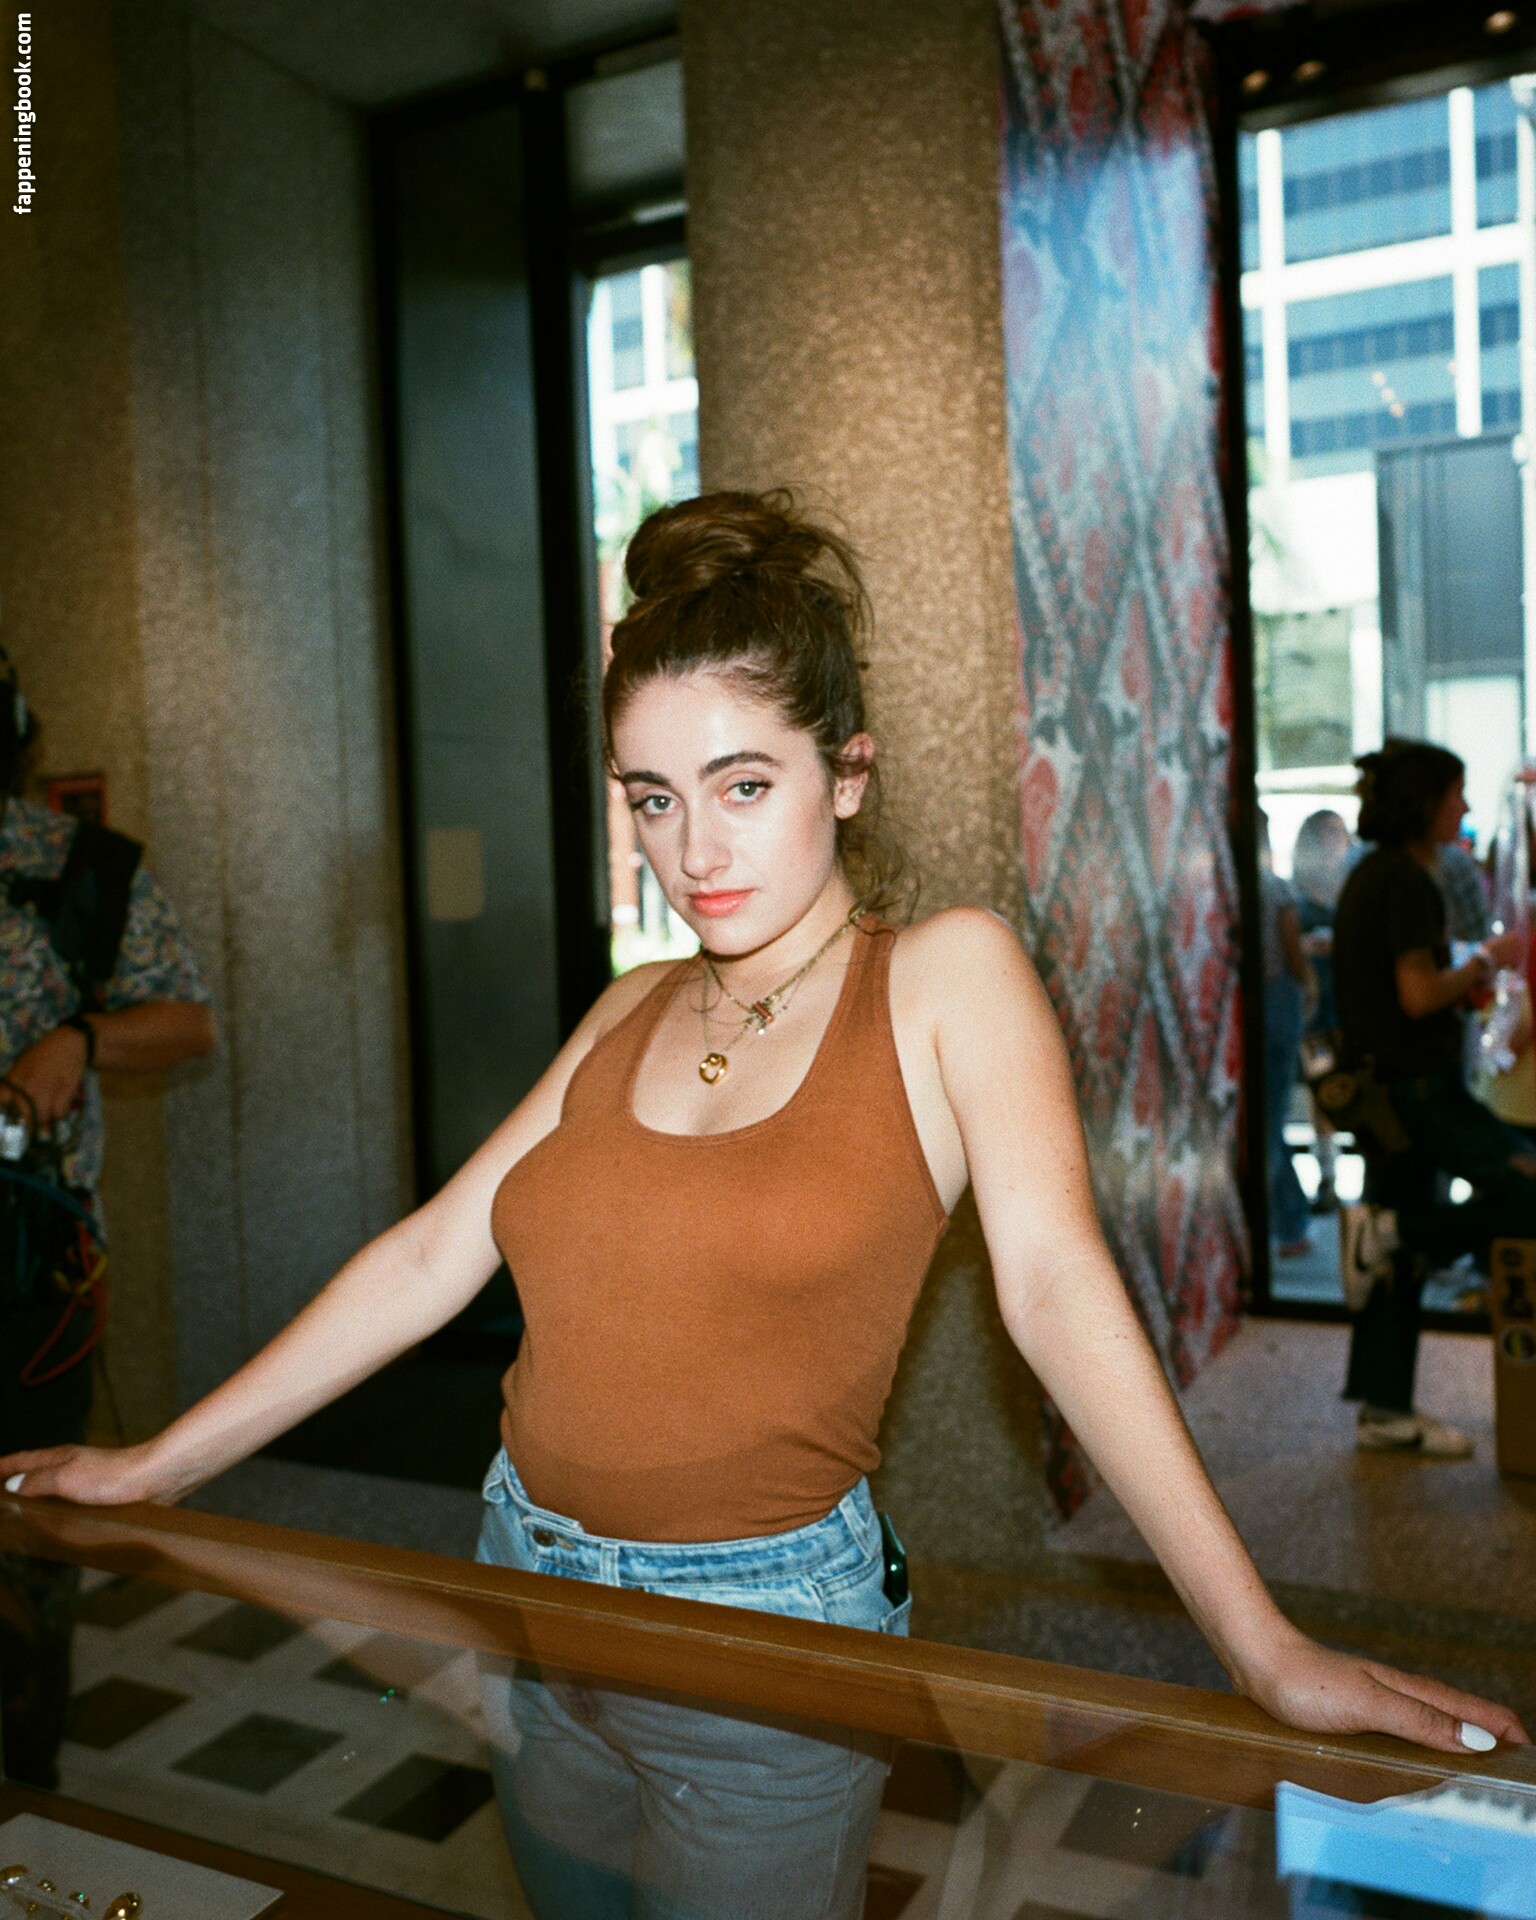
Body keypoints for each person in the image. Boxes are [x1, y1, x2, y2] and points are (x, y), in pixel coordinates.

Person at [1, 500, 1524, 1917]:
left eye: (744, 786)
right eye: (652, 799)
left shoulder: (945, 977)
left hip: (766, 1633)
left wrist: (1261, 1646)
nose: (694, 851)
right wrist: (157, 1464)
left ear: (846, 774)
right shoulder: (629, 1006)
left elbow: (1057, 1291)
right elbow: (431, 1254)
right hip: (522, 1584)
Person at [0, 650, 216, 1786]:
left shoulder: (78, 869)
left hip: (30, 1276)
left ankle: (24, 1788)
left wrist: (78, 1040)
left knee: (27, 1541)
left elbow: (189, 1022)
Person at [1334, 738, 1536, 1458]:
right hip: (1416, 1090)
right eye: (1456, 794)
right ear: (1426, 803)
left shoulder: (1374, 875)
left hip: (1385, 1089)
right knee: (1523, 1188)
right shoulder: (1406, 882)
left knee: (1390, 1259)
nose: (1466, 806)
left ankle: (1384, 1410)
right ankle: (1395, 1233)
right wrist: (1485, 960)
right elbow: (1418, 994)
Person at [1259, 812, 1315, 1255]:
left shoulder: (1228, 886)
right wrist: (1310, 983)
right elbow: (1293, 953)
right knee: (1271, 1118)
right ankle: (1289, 1224)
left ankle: (1291, 1221)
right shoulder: (1277, 889)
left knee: (1268, 1120)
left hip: (1255, 1004)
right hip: (1278, 1004)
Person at [1293, 809, 1352, 1214]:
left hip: (1350, 1005)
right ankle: (1327, 1176)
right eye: (1327, 833)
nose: (1334, 841)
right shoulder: (1298, 891)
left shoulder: (1354, 885)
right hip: (1314, 1008)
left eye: (1339, 832)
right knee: (1323, 1090)